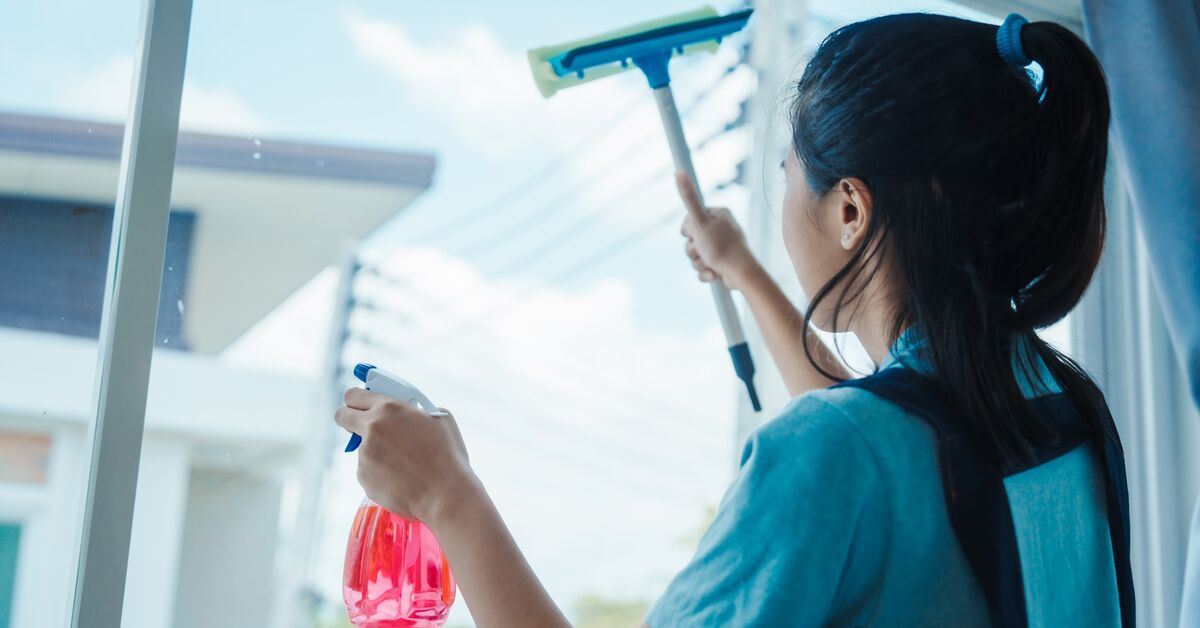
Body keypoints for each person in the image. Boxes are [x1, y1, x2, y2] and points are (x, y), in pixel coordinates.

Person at [334, 12, 1133, 627]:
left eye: (790, 175)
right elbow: (892, 442)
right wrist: (743, 269)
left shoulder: (835, 453)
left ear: (850, 208)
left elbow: (851, 449)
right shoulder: (1059, 405)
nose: (784, 205)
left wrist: (449, 497)